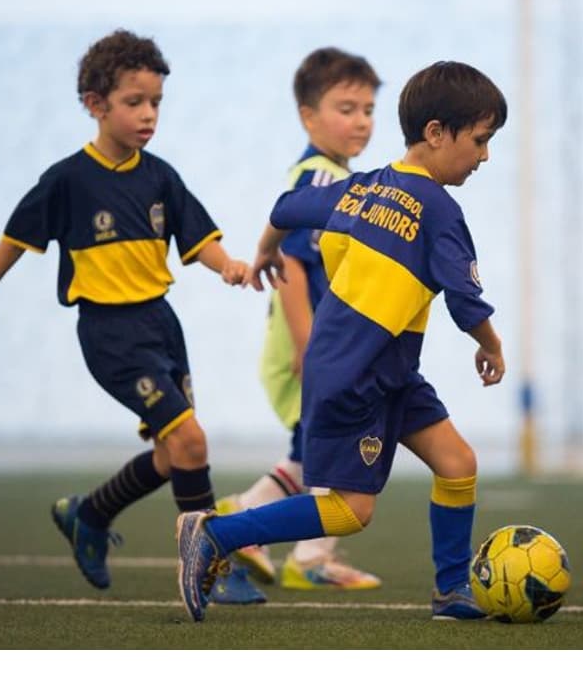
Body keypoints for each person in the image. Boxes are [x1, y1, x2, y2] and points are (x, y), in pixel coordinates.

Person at [176, 60, 508, 622]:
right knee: (351, 510)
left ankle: (451, 591)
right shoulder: (440, 211)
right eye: (480, 140)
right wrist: (491, 346)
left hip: (388, 370)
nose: (484, 156)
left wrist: (264, 251)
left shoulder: (362, 187)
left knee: (457, 463)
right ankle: (217, 534)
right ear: (435, 133)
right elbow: (467, 302)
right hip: (355, 375)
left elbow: (286, 209)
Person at [0, 29, 255, 599]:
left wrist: (227, 264)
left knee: (172, 453)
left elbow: (197, 238)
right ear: (95, 104)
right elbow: (16, 239)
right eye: (134, 102)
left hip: (161, 326)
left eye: (156, 102)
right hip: (111, 333)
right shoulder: (68, 180)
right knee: (191, 443)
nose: (148, 114)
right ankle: (212, 568)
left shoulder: (160, 175)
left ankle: (89, 514)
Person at [214, 47, 384, 594]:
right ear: (308, 117)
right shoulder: (318, 181)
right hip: (308, 347)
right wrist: (309, 348)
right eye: (346, 107)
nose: (361, 120)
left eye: (367, 109)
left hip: (317, 346)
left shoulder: (333, 176)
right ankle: (293, 548)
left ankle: (252, 523)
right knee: (333, 454)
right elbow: (291, 263)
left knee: (310, 452)